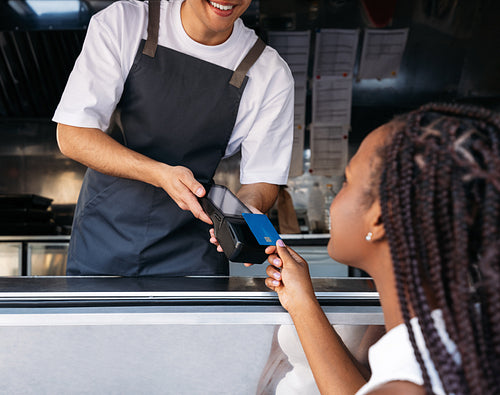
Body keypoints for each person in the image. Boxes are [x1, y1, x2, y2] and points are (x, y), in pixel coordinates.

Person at [264, 102, 500, 394]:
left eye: (346, 181)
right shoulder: (457, 339)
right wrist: (301, 302)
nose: (337, 197)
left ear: (378, 218)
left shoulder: (405, 385)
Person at [52, 0, 294, 276]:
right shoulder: (125, 22)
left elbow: (262, 179)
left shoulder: (270, 72)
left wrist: (247, 214)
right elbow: (73, 135)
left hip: (193, 252)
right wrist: (160, 174)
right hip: (102, 239)